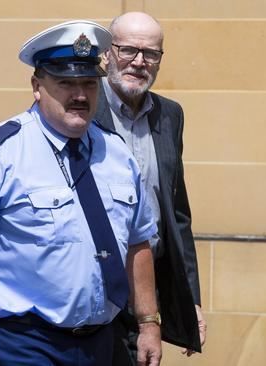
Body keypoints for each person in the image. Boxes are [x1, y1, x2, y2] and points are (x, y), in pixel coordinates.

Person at [0, 20, 162, 366]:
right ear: (37, 86)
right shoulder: (0, 152)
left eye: (88, 83)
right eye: (66, 84)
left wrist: (148, 322)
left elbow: (138, 242)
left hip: (101, 342)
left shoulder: (116, 153)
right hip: (22, 343)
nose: (80, 95)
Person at [96, 12, 207, 362]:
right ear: (107, 54)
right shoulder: (81, 108)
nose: (139, 62)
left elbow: (177, 215)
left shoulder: (169, 115)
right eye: (128, 50)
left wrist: (190, 300)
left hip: (150, 286)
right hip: (93, 287)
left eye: (151, 54)